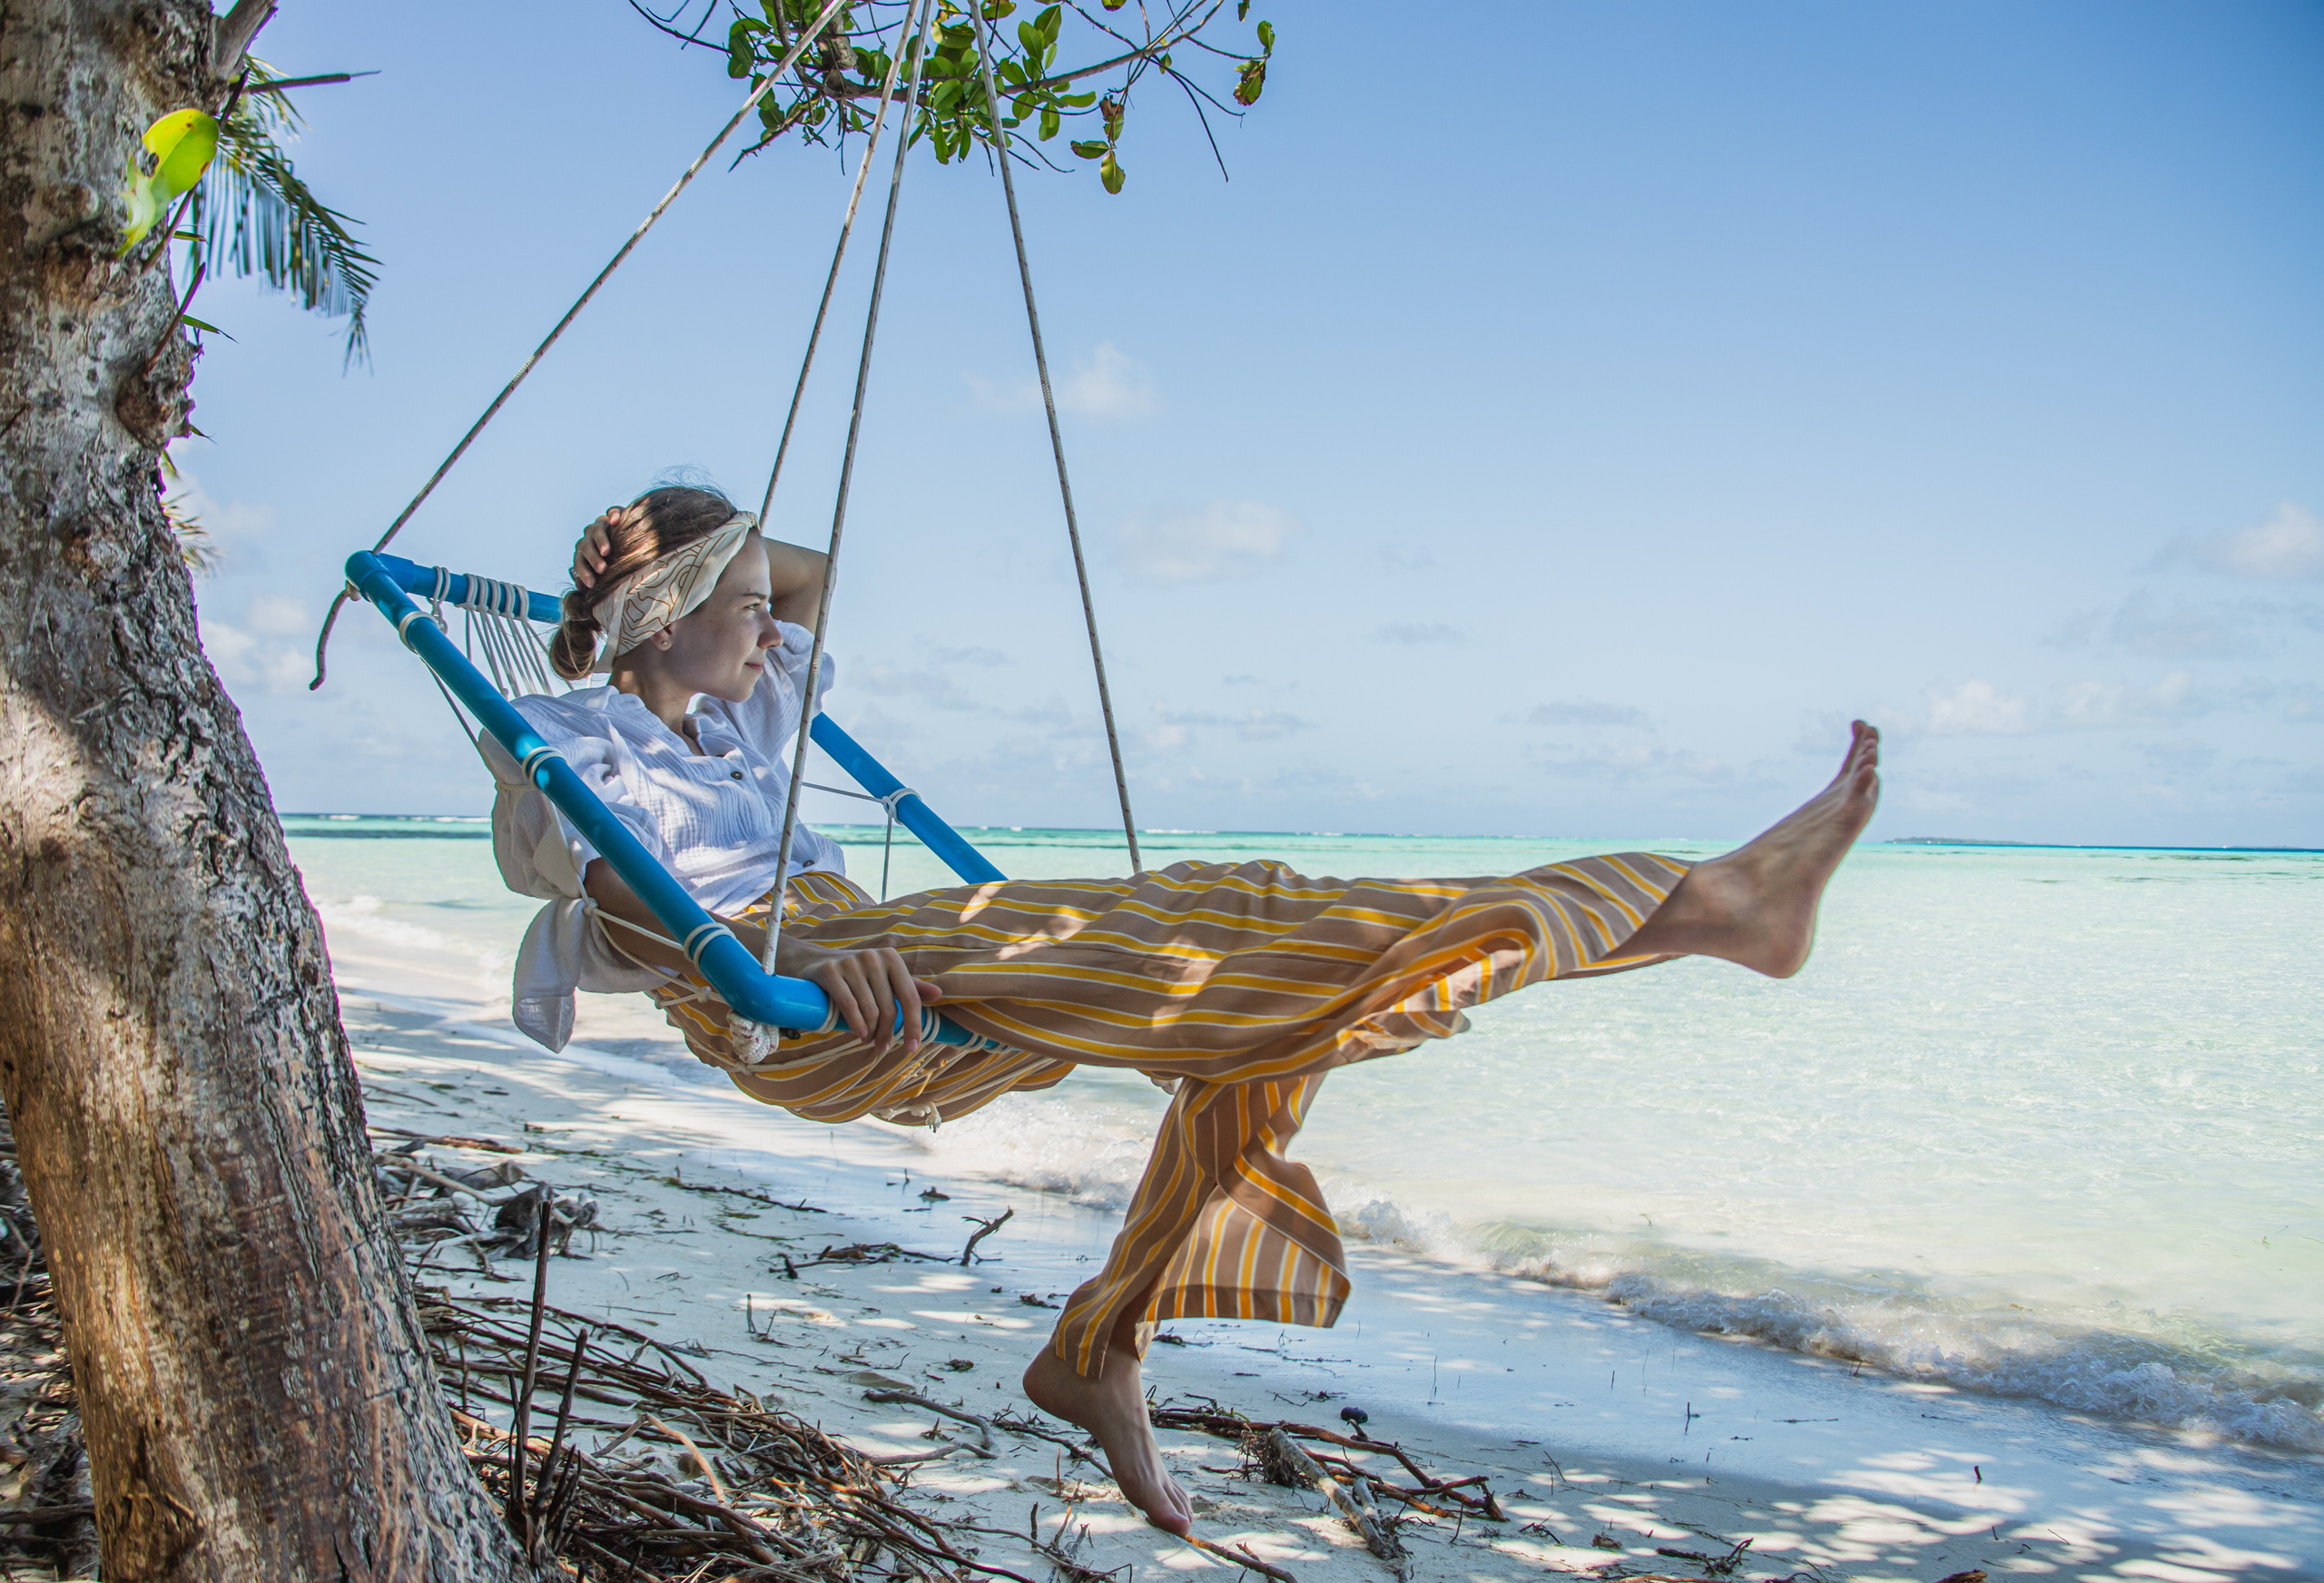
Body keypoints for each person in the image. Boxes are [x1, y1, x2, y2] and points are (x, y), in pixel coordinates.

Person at [487, 483, 1883, 1537]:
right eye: (737, 607)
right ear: (665, 625)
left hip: (879, 962)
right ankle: (1693, 908)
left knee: (1252, 975)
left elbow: (810, 576)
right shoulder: (581, 744)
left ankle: (1103, 1348)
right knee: (1247, 950)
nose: (768, 619)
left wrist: (701, 554)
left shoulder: (743, 713)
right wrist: (764, 954)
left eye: (754, 605)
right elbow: (608, 903)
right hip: (801, 989)